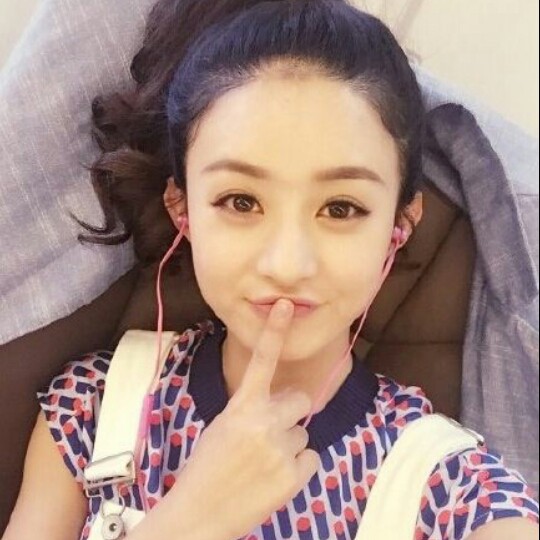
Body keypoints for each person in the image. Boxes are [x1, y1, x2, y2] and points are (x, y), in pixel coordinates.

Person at [3, 1, 539, 539]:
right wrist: (190, 520)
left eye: (341, 208)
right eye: (241, 201)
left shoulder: (458, 494)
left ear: (400, 225)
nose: (287, 264)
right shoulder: (92, 409)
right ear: (182, 209)